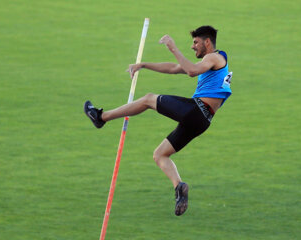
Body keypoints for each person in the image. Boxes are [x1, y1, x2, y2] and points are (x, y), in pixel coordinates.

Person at [84, 26, 232, 216]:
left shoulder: (214, 58)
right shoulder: (210, 63)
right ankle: (179, 186)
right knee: (160, 155)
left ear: (207, 42)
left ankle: (101, 117)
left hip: (196, 111)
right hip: (202, 120)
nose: (192, 46)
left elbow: (191, 71)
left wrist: (173, 47)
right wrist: (143, 65)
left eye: (196, 42)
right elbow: (174, 68)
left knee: (148, 99)